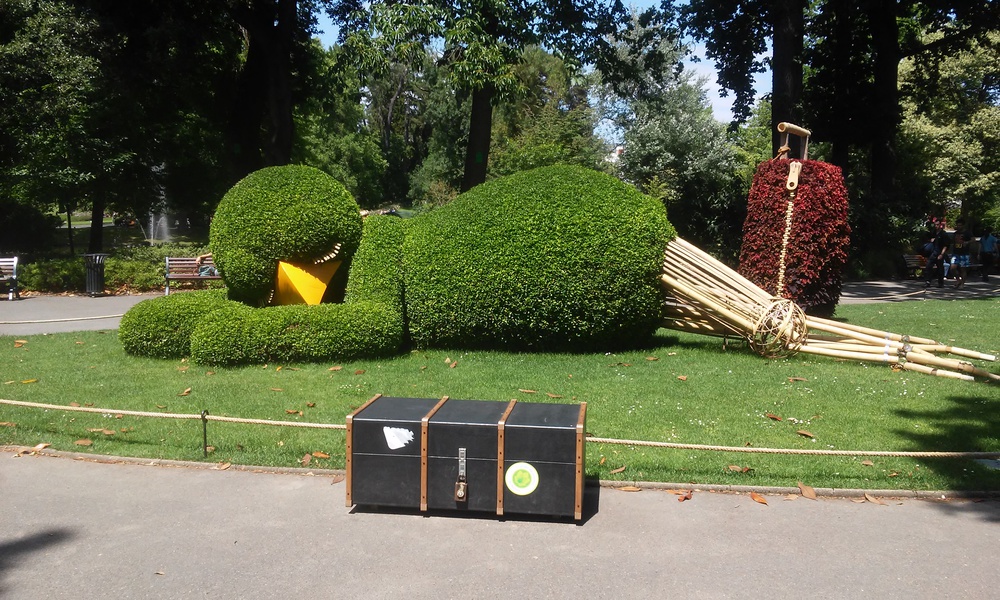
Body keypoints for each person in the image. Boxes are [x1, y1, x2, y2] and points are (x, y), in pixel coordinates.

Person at [924, 219, 949, 288]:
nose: (936, 226)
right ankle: (928, 281)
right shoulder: (933, 233)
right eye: (935, 225)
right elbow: (929, 241)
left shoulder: (943, 234)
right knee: (928, 266)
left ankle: (940, 283)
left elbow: (945, 245)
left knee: (940, 268)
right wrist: (930, 240)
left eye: (937, 225)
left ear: (940, 225)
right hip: (933, 253)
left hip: (939, 253)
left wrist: (942, 254)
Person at [950, 219, 971, 289]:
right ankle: (958, 280)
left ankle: (962, 284)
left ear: (963, 225)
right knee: (952, 267)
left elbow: (973, 239)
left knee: (963, 269)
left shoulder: (967, 233)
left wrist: (967, 242)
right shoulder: (955, 233)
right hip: (956, 253)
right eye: (957, 225)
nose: (958, 226)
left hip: (964, 253)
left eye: (960, 225)